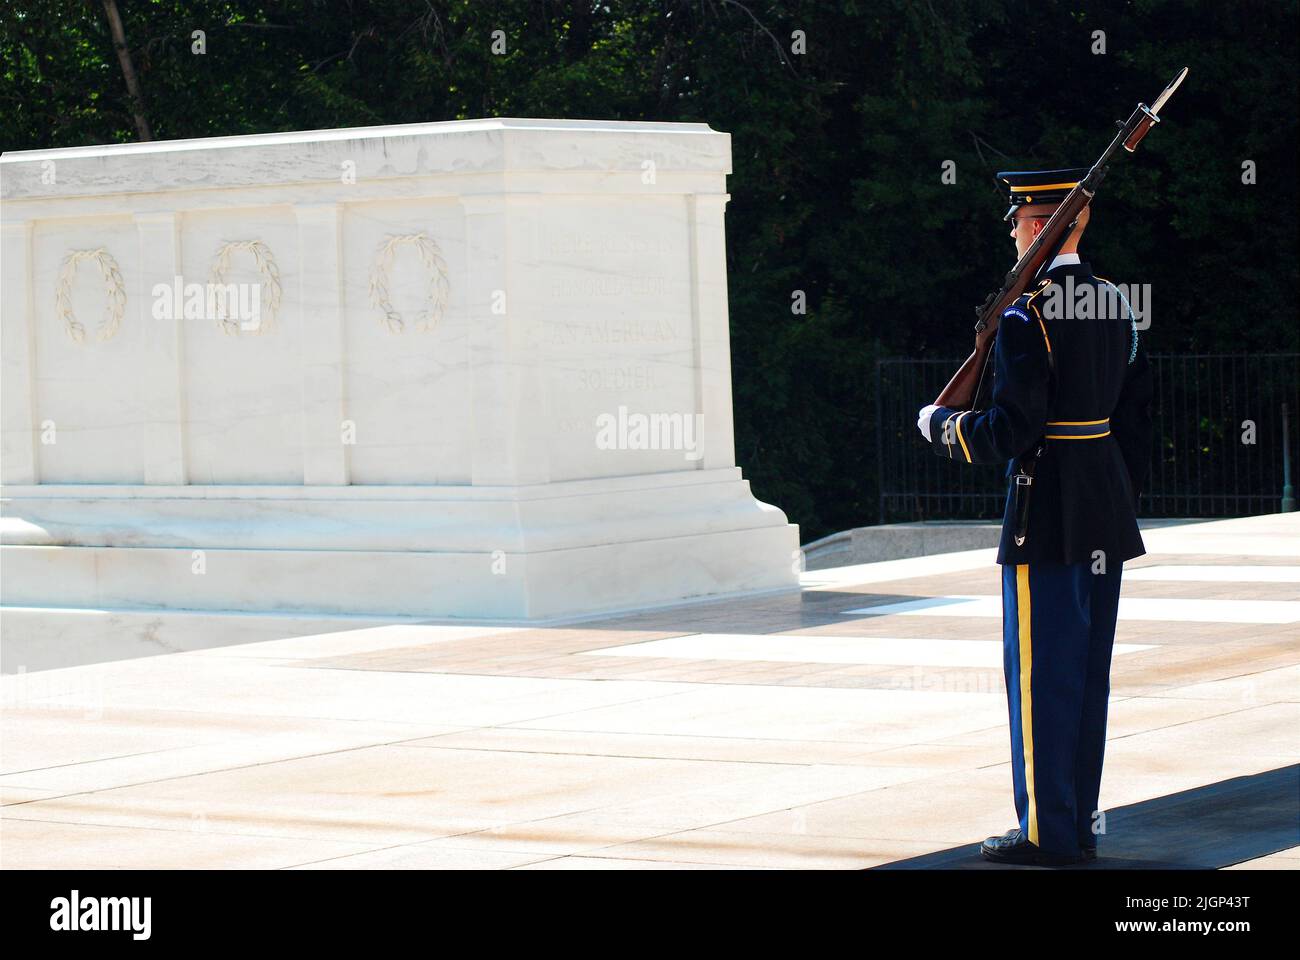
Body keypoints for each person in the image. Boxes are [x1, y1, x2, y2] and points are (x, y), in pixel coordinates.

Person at [915, 168, 1154, 866]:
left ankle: (1047, 835)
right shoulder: (1114, 302)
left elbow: (1011, 430)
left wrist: (942, 426)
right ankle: (1076, 820)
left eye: (1021, 221)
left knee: (1041, 677)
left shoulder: (1030, 315)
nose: (1012, 230)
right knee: (1086, 674)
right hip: (1104, 509)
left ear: (1048, 228)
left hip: (1046, 511)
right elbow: (1130, 411)